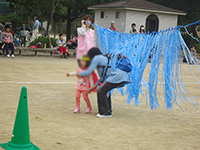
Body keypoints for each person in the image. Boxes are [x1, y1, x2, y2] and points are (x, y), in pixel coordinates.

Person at [77, 48, 131, 118]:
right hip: (120, 76)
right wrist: (93, 87)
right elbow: (102, 79)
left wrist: (78, 73)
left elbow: (88, 71)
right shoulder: (103, 59)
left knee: (101, 90)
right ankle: (108, 110)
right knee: (104, 90)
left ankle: (105, 112)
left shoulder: (97, 58)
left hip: (117, 76)